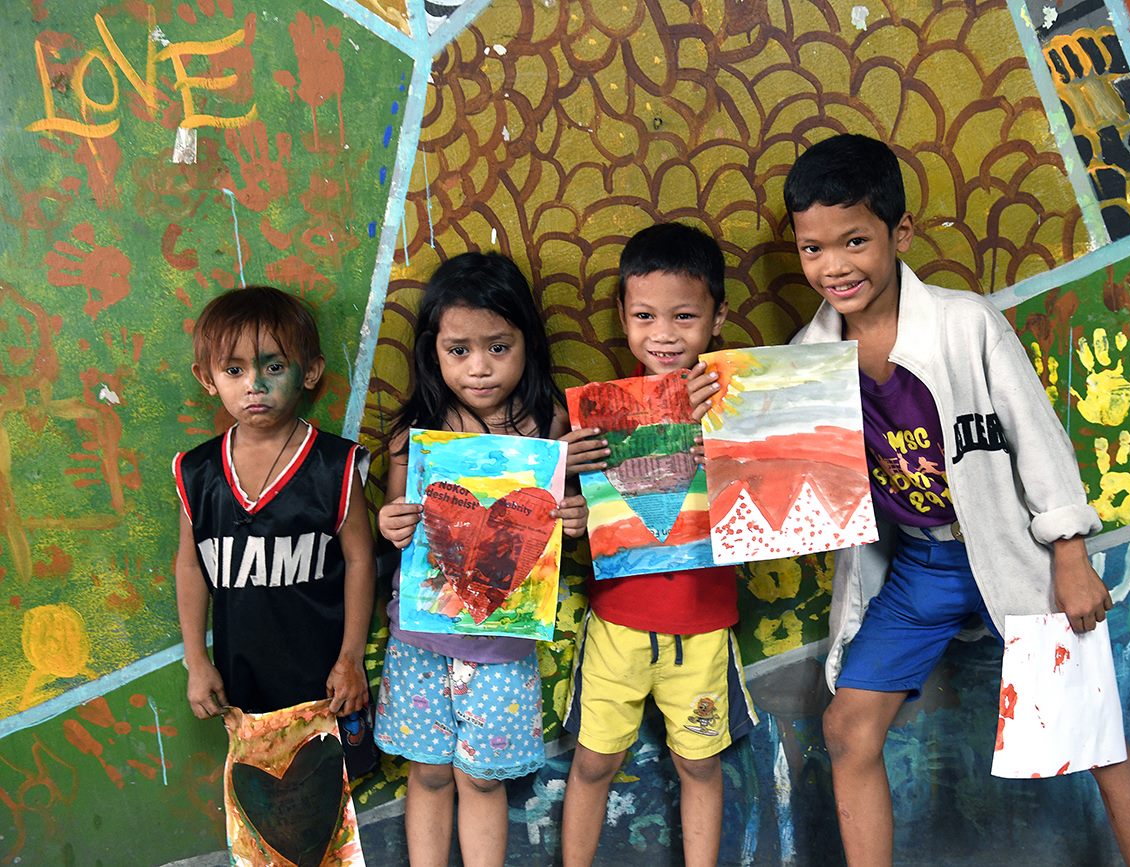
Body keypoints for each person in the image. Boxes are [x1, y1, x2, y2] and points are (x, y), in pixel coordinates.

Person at [690, 134, 1130, 865]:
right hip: (923, 567)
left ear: (900, 232)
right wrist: (718, 419)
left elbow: (1038, 440)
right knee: (847, 727)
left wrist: (1070, 556)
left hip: (1017, 554)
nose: (834, 266)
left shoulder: (964, 323)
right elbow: (780, 486)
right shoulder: (806, 360)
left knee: (1096, 734)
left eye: (854, 240)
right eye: (813, 249)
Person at [374, 251, 587, 867]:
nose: (479, 368)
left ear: (527, 343)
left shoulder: (550, 427)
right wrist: (390, 523)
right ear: (433, 352)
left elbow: (557, 526)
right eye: (459, 350)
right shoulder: (414, 434)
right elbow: (397, 523)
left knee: (483, 779)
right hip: (422, 637)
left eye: (498, 347)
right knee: (429, 772)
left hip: (502, 642)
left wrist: (576, 519)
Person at [560, 223, 758, 867]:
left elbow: (772, 501)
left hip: (702, 625)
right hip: (617, 622)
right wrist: (564, 476)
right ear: (622, 317)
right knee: (594, 762)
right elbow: (567, 511)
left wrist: (728, 449)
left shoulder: (738, 407)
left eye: (684, 316)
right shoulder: (599, 416)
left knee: (699, 764)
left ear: (717, 317)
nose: (664, 334)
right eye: (645, 316)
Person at [174, 286, 374, 726]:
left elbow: (361, 560)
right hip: (240, 684)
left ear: (310, 371)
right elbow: (191, 567)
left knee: (333, 770)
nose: (255, 385)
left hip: (329, 681)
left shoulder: (335, 465)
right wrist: (197, 661)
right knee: (259, 773)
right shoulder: (197, 471)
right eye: (234, 370)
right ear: (207, 378)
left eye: (274, 366)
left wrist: (351, 658)